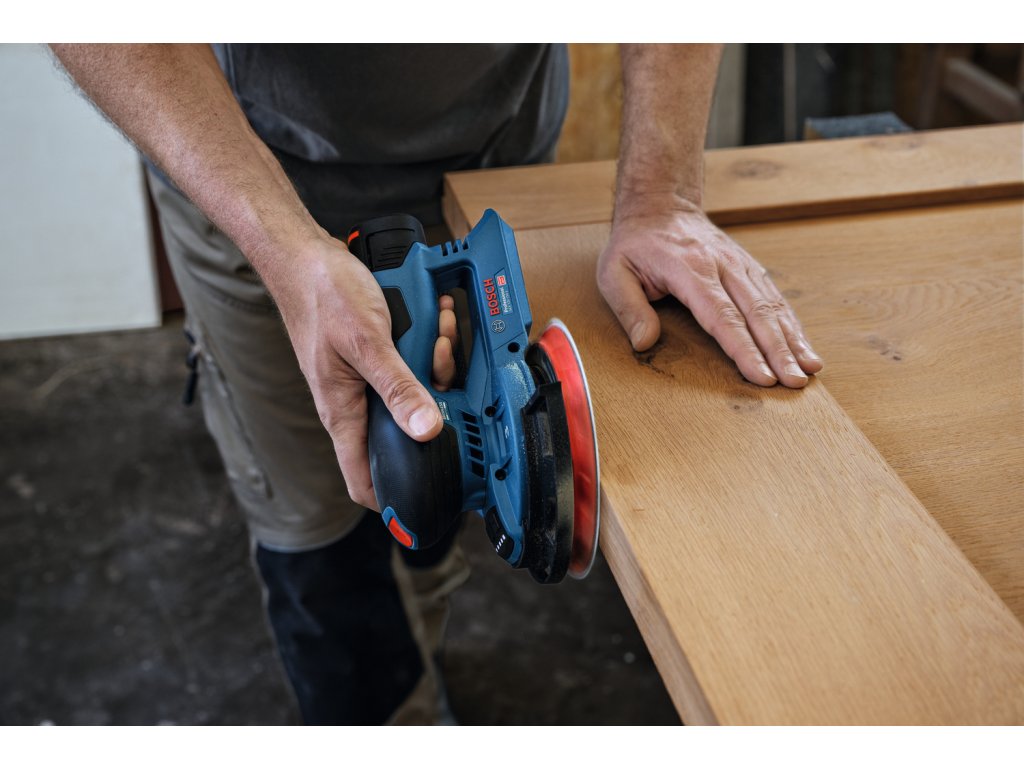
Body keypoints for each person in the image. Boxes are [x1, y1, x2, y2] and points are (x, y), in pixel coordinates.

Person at [50, 43, 822, 725]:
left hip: (494, 152)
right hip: (241, 166)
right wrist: (283, 249)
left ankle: (421, 635)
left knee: (433, 494)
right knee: (318, 528)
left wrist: (662, 195)